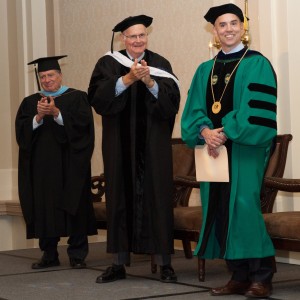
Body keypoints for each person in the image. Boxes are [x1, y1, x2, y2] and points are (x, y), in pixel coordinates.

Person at [181, 4, 277, 299]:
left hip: (244, 148)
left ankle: (262, 276)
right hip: (213, 150)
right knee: (221, 209)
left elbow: (255, 110)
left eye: (234, 23)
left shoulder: (256, 63)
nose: (229, 29)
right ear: (215, 31)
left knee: (244, 209)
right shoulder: (204, 69)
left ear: (243, 27)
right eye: (222, 25)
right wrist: (204, 132)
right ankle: (238, 275)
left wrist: (223, 133)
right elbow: (193, 109)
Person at [88, 15, 180, 283]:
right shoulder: (108, 63)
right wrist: (127, 79)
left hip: (153, 145)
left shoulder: (160, 64)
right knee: (118, 198)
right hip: (119, 145)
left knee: (158, 197)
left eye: (142, 35)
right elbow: (97, 97)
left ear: (146, 37)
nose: (138, 40)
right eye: (132, 36)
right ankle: (118, 263)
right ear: (123, 39)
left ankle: (164, 263)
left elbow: (172, 101)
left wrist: (150, 82)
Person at [15, 55, 97, 270]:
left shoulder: (78, 98)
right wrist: (38, 118)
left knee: (75, 204)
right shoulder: (30, 103)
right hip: (43, 169)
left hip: (72, 165)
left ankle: (77, 255)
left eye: (51, 75)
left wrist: (57, 113)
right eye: (43, 76)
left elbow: (84, 129)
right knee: (45, 206)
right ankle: (49, 254)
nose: (47, 80)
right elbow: (21, 135)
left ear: (60, 75)